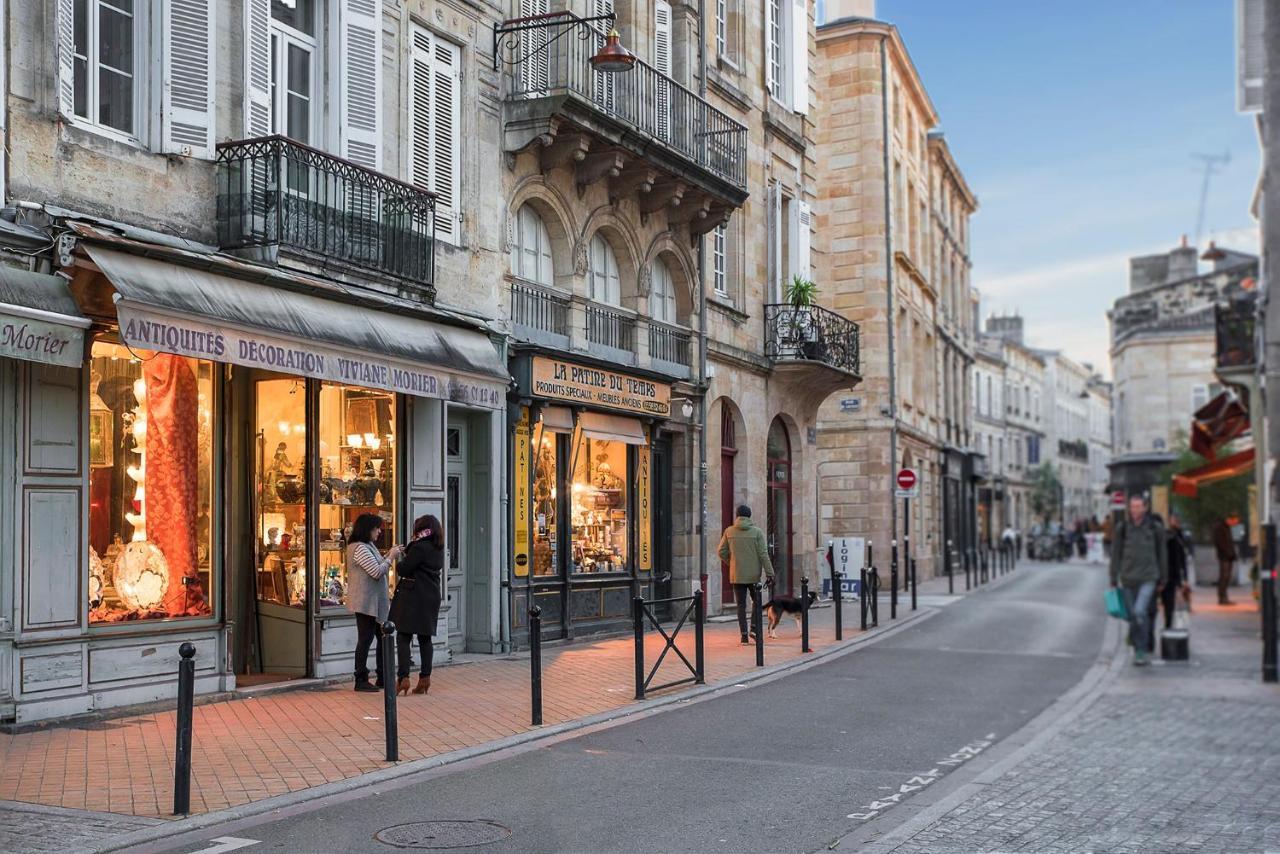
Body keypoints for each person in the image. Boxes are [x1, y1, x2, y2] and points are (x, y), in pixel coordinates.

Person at [347, 513, 404, 692]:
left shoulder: (368, 545)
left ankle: (382, 676)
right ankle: (361, 679)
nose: (379, 531)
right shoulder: (359, 548)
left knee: (380, 637)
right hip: (365, 602)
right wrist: (391, 557)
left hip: (375, 602)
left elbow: (378, 563)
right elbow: (377, 571)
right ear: (367, 529)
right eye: (376, 528)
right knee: (365, 639)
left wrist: (389, 553)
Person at [388, 514, 444, 696]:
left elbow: (403, 569)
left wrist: (404, 557)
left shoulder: (420, 547)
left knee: (404, 636)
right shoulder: (437, 547)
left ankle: (403, 678)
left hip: (413, 595)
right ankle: (425, 679)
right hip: (431, 595)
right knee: (425, 638)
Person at [1109, 495, 1168, 665]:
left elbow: (1161, 553)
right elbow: (1116, 554)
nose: (1135, 510)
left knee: (1140, 611)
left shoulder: (1154, 528)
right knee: (1133, 616)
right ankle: (1135, 640)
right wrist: (1113, 576)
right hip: (1128, 578)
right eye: (1132, 507)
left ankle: (1140, 651)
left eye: (1138, 506)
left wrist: (1163, 577)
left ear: (1145, 508)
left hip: (1149, 577)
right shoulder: (1123, 529)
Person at [717, 504, 775, 645]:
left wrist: (732, 563)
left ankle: (743, 636)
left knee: (740, 605)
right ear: (749, 516)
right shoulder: (757, 532)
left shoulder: (729, 531)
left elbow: (721, 551)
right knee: (757, 601)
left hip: (737, 574)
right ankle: (754, 628)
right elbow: (763, 554)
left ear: (737, 515)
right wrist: (770, 573)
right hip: (754, 575)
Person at [1162, 512, 1191, 630]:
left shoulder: (1179, 535)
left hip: (1173, 574)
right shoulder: (1170, 537)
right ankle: (1169, 626)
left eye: (1177, 520)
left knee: (1172, 603)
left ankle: (1171, 626)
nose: (1176, 522)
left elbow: (1181, 558)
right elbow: (1177, 559)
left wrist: (1183, 578)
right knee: (1169, 602)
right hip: (1170, 573)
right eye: (1174, 519)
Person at [1212, 517, 1237, 606]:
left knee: (1226, 576)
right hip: (1224, 556)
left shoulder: (1226, 527)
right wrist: (1228, 552)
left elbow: (1229, 542)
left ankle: (1224, 597)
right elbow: (1220, 543)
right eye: (1234, 521)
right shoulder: (1220, 527)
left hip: (1228, 556)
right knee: (1224, 576)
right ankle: (1222, 597)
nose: (1234, 523)